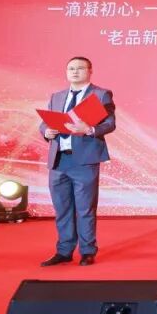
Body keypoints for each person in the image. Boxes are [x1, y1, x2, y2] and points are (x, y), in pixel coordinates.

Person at [38, 56, 116, 267]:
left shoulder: (100, 94)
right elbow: (44, 123)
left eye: (80, 68)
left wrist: (89, 129)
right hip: (59, 159)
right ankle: (64, 251)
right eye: (71, 68)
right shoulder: (57, 96)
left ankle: (87, 251)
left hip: (84, 160)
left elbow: (110, 123)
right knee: (62, 208)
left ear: (90, 71)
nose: (74, 72)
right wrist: (47, 131)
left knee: (85, 208)